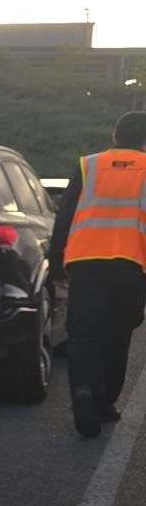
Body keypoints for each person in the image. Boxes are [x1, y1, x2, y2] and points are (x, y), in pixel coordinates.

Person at [51, 110, 146, 436]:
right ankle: (104, 403)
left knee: (84, 333)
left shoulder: (87, 165)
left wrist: (54, 263)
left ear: (114, 135)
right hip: (133, 267)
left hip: (85, 263)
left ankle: (83, 390)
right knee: (118, 335)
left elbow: (63, 217)